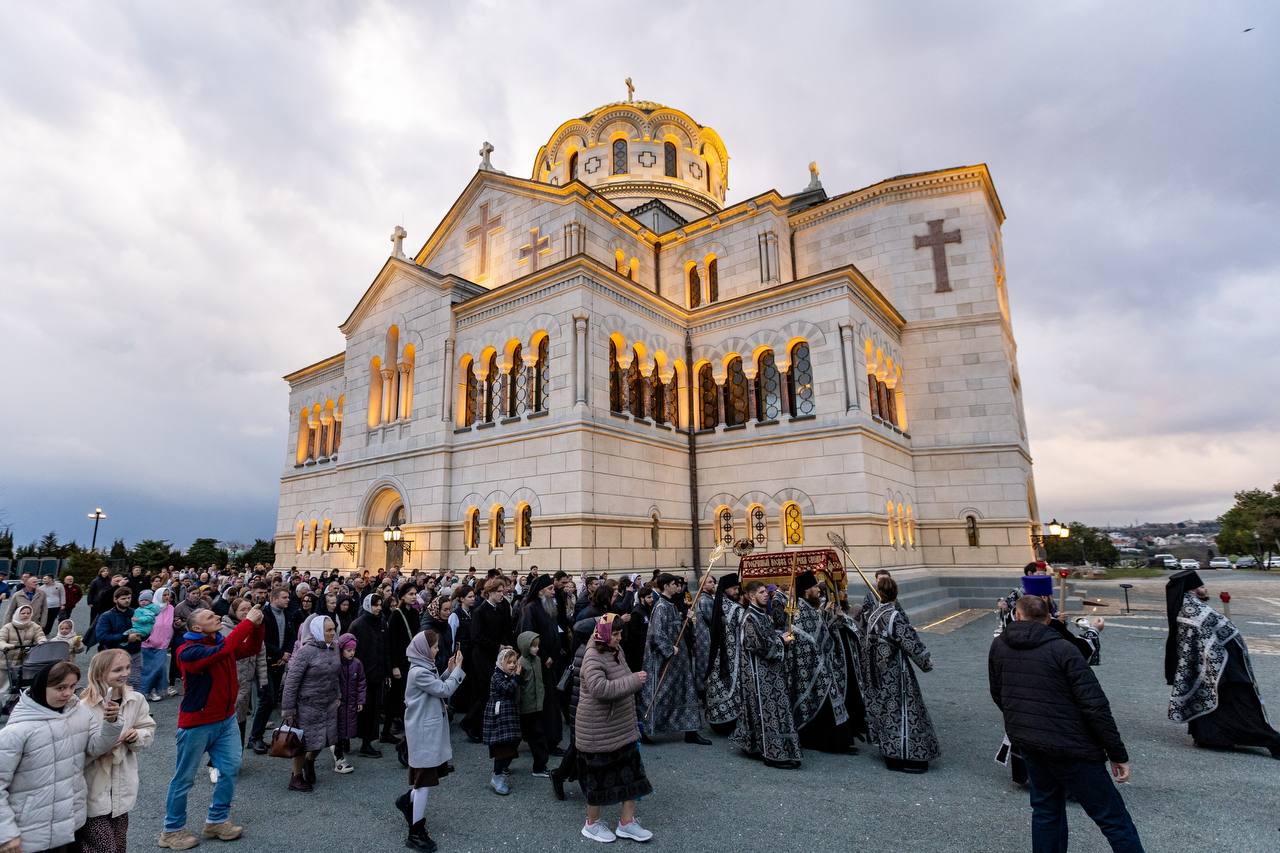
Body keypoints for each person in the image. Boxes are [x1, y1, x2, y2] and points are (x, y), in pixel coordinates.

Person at [989, 595, 1144, 852]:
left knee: (1046, 812)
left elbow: (999, 693)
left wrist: (1022, 722)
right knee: (1112, 818)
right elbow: (1095, 706)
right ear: (1049, 619)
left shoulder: (1000, 646)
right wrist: (1117, 753)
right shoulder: (1064, 650)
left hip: (1029, 740)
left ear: (1017, 615)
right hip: (1072, 745)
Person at [160, 606, 264, 850]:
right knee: (184, 778)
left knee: (230, 768)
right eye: (210, 617)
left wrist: (259, 627)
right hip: (197, 722)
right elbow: (224, 650)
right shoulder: (189, 651)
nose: (216, 617)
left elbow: (249, 648)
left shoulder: (219, 641)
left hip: (225, 719)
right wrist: (247, 623)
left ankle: (217, 820)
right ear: (197, 627)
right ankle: (171, 830)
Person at [0, 661, 123, 853]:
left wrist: (112, 723)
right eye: (60, 688)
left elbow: (95, 747)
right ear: (41, 687)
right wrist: (6, 834)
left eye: (72, 686)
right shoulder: (16, 732)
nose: (67, 693)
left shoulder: (79, 713)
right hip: (31, 831)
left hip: (71, 823)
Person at [1165, 569, 1280, 757]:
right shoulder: (1194, 610)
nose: (1205, 589)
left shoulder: (1184, 606)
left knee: (1216, 701)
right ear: (1192, 589)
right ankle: (1270, 741)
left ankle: (1212, 737)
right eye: (1201, 586)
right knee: (1238, 706)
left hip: (1212, 666)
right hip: (1223, 668)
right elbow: (1221, 634)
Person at [576, 614, 653, 843]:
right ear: (604, 634)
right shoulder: (592, 657)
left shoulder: (615, 651)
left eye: (620, 634)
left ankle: (627, 823)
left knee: (632, 776)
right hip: (599, 731)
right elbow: (600, 689)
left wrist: (633, 680)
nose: (619, 638)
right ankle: (591, 824)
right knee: (599, 780)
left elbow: (622, 679)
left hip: (621, 727)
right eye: (616, 634)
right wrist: (634, 681)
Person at [859, 575, 939, 773]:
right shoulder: (893, 616)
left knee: (886, 711)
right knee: (905, 711)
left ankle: (890, 754)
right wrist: (926, 661)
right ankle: (908, 755)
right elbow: (909, 641)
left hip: (875, 671)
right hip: (895, 671)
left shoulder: (874, 615)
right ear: (895, 594)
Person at [80, 649, 157, 853]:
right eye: (117, 670)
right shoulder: (83, 707)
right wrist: (109, 739)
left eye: (127, 668)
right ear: (100, 673)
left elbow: (147, 728)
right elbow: (84, 749)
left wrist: (137, 737)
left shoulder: (136, 699)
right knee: (106, 848)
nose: (124, 673)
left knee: (120, 845)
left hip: (122, 788)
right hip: (93, 789)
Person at [398, 631, 465, 852]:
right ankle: (415, 832)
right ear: (425, 649)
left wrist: (448, 670)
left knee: (425, 778)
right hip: (424, 731)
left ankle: (408, 802)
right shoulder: (419, 671)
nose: (436, 650)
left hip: (426, 729)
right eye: (434, 647)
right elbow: (444, 690)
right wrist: (457, 670)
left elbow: (436, 685)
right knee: (424, 781)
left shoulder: (423, 666)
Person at [730, 581, 801, 768]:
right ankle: (772, 755)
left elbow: (769, 636)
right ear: (752, 596)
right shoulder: (749, 618)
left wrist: (783, 633)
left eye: (765, 592)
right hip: (757, 675)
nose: (766, 595)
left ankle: (778, 748)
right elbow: (757, 645)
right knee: (766, 712)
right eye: (761, 592)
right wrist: (780, 641)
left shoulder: (764, 616)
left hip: (772, 672)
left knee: (778, 710)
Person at [786, 572, 857, 753]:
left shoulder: (810, 608)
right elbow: (804, 639)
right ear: (805, 590)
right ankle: (826, 742)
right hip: (812, 668)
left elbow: (821, 631)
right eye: (815, 587)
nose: (818, 590)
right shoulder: (800, 611)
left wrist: (834, 618)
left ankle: (837, 741)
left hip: (822, 664)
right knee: (822, 703)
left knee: (831, 702)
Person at [641, 573, 708, 744]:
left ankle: (691, 731)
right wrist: (670, 649)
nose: (677, 587)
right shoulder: (661, 607)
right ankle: (646, 729)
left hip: (681, 659)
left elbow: (676, 628)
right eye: (673, 584)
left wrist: (686, 619)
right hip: (667, 660)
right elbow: (657, 634)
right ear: (665, 586)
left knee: (687, 692)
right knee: (662, 694)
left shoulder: (671, 605)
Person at [281, 615, 341, 791]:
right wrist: (288, 709)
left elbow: (336, 675)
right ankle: (296, 776)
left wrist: (338, 695)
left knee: (324, 738)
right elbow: (291, 682)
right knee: (303, 742)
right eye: (328, 630)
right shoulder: (306, 651)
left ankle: (310, 762)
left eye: (333, 629)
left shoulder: (334, 648)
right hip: (308, 705)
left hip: (328, 703)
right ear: (317, 632)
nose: (333, 633)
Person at [516, 575, 565, 753]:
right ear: (540, 591)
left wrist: (554, 654)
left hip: (551, 662)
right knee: (541, 704)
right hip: (539, 664)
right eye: (550, 589)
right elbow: (528, 637)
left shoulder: (549, 607)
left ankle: (551, 740)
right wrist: (545, 656)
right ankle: (542, 741)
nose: (554, 592)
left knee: (551, 702)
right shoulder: (530, 609)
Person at [247, 586, 296, 754]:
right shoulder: (264, 615)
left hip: (280, 662)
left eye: (287, 597)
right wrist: (281, 653)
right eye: (284, 597)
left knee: (272, 699)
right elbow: (262, 641)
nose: (287, 600)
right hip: (265, 662)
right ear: (274, 598)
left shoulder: (287, 615)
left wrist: (287, 652)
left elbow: (291, 635)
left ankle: (257, 735)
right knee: (266, 698)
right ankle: (255, 738)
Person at [464, 579, 512, 741]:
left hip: (494, 655)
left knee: (490, 692)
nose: (502, 594)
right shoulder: (480, 611)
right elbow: (476, 637)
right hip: (482, 657)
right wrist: (498, 646)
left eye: (502, 591)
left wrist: (506, 645)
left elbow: (503, 630)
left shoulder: (499, 609)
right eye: (499, 591)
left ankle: (482, 725)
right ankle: (470, 723)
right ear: (490, 592)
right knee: (484, 691)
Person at [221, 597, 267, 753]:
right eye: (243, 610)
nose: (247, 613)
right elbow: (228, 649)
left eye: (249, 609)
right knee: (226, 720)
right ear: (234, 611)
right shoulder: (224, 628)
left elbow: (259, 653)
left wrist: (263, 679)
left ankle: (237, 753)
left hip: (246, 679)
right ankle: (221, 756)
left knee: (241, 717)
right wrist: (247, 625)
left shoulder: (254, 628)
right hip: (229, 679)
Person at [703, 573, 744, 736]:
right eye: (734, 588)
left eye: (737, 588)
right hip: (731, 656)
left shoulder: (719, 604)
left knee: (719, 684)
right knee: (731, 686)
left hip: (719, 654)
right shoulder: (735, 608)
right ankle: (729, 721)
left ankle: (719, 720)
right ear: (726, 589)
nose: (737, 591)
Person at [350, 594, 389, 757]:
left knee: (373, 710)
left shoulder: (381, 621)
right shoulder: (358, 625)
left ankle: (367, 742)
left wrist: (386, 670)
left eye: (380, 604)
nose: (378, 608)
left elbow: (386, 647)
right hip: (361, 675)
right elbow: (350, 650)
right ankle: (347, 740)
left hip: (377, 674)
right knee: (360, 710)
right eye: (375, 605)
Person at [384, 584, 420, 743]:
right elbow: (391, 643)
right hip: (400, 662)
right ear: (403, 596)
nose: (413, 596)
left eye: (415, 594)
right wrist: (394, 665)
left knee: (409, 696)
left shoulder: (415, 613)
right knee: (396, 696)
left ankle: (408, 730)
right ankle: (386, 731)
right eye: (410, 594)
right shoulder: (396, 615)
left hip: (411, 660)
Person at [483, 647, 523, 795]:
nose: (512, 665)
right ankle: (497, 776)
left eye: (514, 662)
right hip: (499, 717)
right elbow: (507, 689)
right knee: (501, 748)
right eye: (509, 662)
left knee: (511, 747)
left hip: (509, 716)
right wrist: (517, 677)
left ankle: (499, 774)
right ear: (501, 663)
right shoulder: (497, 676)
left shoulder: (509, 675)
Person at [516, 630, 551, 779]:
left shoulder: (537, 660)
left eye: (537, 646)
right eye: (533, 646)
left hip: (537, 705)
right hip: (526, 707)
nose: (536, 649)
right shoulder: (521, 663)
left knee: (536, 737)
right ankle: (538, 767)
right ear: (525, 647)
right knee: (533, 737)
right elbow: (518, 685)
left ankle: (540, 765)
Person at [94, 587, 143, 690]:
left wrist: (142, 634)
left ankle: (132, 705)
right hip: (115, 655)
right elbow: (102, 637)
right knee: (114, 685)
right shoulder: (106, 616)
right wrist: (125, 637)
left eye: (129, 598)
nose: (127, 600)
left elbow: (145, 629)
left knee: (135, 683)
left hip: (134, 653)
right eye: (123, 598)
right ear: (115, 600)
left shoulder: (136, 613)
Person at [333, 633, 366, 774]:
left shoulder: (357, 664)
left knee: (348, 725)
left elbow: (362, 682)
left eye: (353, 650)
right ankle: (338, 756)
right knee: (339, 727)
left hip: (351, 702)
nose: (352, 653)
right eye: (348, 650)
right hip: (339, 703)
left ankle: (341, 745)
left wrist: (360, 700)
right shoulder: (337, 664)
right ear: (341, 650)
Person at [0, 605, 46, 701]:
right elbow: (1, 640)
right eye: (23, 613)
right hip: (6, 661)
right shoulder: (8, 627)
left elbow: (40, 636)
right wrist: (5, 645)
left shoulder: (34, 626)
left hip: (23, 661)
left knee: (19, 684)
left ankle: (13, 703)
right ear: (18, 613)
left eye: (28, 613)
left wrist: (42, 641)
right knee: (3, 685)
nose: (26, 615)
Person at [139, 588, 176, 702]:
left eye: (168, 595)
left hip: (163, 643)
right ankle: (146, 691)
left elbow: (170, 625)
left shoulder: (171, 608)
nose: (166, 597)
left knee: (159, 668)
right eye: (164, 595)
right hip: (148, 643)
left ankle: (156, 689)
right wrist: (146, 638)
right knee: (148, 669)